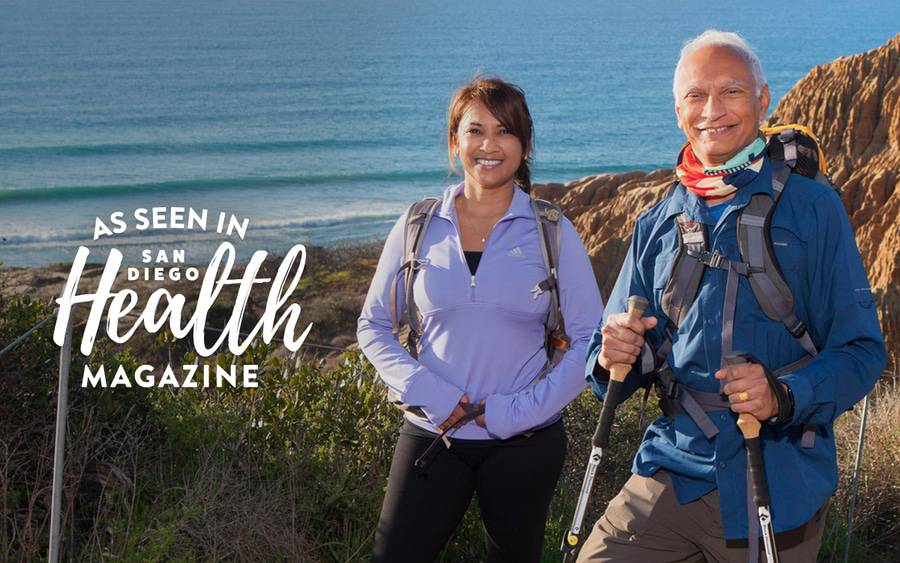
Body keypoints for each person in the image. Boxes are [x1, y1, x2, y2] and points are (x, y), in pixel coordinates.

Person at [577, 30, 886, 562]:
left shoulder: (813, 208)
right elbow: (608, 365)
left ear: (763, 101)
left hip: (778, 480)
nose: (712, 111)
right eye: (696, 96)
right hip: (673, 471)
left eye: (732, 92)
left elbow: (862, 351)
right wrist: (613, 356)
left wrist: (784, 395)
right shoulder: (659, 221)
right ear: (678, 111)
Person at [357, 77, 603, 562]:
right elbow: (373, 326)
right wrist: (429, 391)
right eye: (475, 131)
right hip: (433, 436)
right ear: (454, 143)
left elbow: (588, 341)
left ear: (525, 145)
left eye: (505, 131)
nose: (489, 145)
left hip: (526, 442)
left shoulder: (551, 229)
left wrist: (521, 410)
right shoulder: (418, 224)